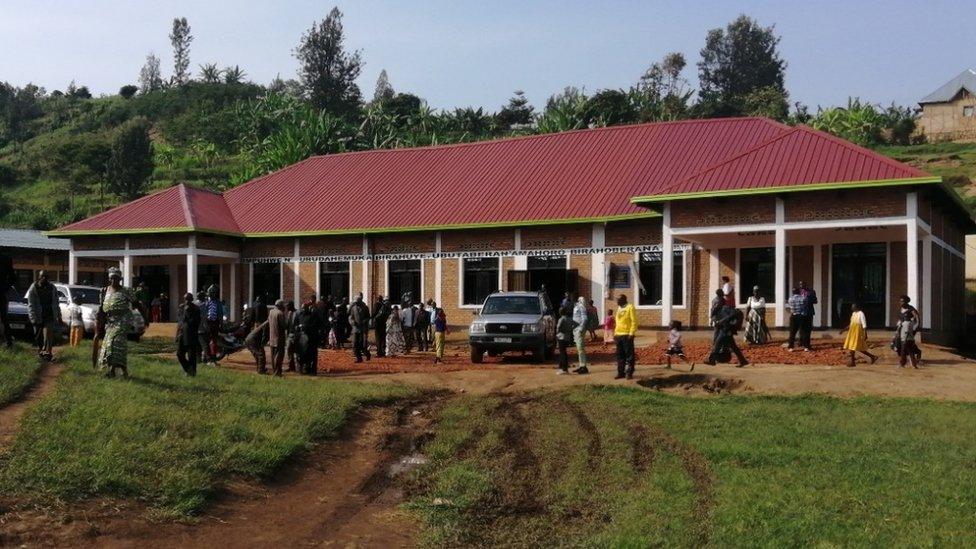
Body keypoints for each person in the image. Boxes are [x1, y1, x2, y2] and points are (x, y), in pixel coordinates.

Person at [97, 267, 143, 377]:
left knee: (115, 342)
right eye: (112, 278)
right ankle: (117, 371)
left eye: (117, 279)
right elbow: (101, 310)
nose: (114, 281)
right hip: (110, 322)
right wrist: (99, 326)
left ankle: (114, 370)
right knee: (108, 345)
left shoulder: (126, 291)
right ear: (109, 279)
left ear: (120, 279)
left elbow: (137, 304)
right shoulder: (104, 291)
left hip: (123, 320)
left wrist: (145, 318)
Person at [26, 270, 59, 361]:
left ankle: (48, 353)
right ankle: (41, 351)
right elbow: (31, 304)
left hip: (49, 314)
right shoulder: (34, 287)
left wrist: (58, 314)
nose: (44, 278)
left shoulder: (52, 288)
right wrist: (32, 317)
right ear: (39, 277)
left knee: (48, 335)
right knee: (38, 336)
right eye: (42, 277)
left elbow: (56, 301)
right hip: (38, 315)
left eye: (46, 277)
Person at [839, 302, 878, 368]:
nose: (852, 308)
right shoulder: (853, 314)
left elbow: (864, 325)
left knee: (853, 347)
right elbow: (851, 324)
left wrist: (865, 334)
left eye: (853, 306)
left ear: (856, 307)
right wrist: (843, 330)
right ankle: (872, 357)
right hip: (852, 333)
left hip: (858, 332)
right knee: (855, 347)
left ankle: (853, 362)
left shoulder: (861, 314)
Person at [175, 292, 201, 376]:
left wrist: (188, 312)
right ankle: (187, 369)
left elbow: (195, 322)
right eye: (186, 299)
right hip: (182, 334)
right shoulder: (181, 307)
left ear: (192, 300)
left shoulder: (196, 309)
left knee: (191, 356)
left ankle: (192, 373)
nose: (187, 301)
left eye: (189, 299)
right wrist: (177, 334)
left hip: (191, 335)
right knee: (179, 354)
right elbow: (179, 322)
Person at [613, 294, 638, 380]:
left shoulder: (630, 307)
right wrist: (615, 334)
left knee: (629, 355)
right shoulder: (619, 308)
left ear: (623, 300)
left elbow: (634, 321)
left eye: (618, 300)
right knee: (620, 355)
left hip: (627, 335)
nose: (617, 302)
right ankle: (621, 372)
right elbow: (618, 322)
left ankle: (629, 373)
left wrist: (631, 333)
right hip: (618, 335)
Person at [293, 300, 321, 375]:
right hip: (302, 338)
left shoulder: (312, 315)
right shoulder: (299, 315)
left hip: (312, 338)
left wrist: (306, 327)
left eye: (304, 308)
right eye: (302, 308)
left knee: (312, 355)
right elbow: (295, 325)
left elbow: (315, 325)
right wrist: (298, 327)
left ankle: (313, 370)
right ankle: (304, 369)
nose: (303, 310)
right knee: (303, 354)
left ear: (308, 308)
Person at [895, 295, 921, 368]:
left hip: (908, 328)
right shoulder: (901, 309)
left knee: (905, 344)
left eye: (902, 301)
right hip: (901, 328)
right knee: (904, 345)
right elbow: (901, 319)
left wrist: (916, 327)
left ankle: (903, 362)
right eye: (900, 301)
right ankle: (913, 362)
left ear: (907, 301)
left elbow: (917, 317)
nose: (901, 303)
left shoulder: (910, 309)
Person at [786, 287, 812, 352]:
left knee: (792, 332)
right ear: (799, 292)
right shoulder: (803, 298)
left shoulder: (790, 299)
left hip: (794, 316)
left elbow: (789, 307)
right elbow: (806, 304)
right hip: (802, 316)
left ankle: (791, 347)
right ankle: (806, 347)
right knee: (804, 332)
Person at [267, 300, 288, 376]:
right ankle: (277, 372)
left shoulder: (271, 312)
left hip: (272, 338)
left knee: (273, 356)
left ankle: (274, 371)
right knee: (279, 356)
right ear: (280, 306)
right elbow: (284, 326)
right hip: (279, 339)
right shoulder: (280, 314)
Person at [349, 292, 371, 363]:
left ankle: (367, 354)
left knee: (363, 344)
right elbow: (350, 317)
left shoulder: (365, 307)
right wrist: (352, 322)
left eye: (357, 302)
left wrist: (365, 321)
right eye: (355, 302)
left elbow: (368, 317)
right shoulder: (353, 308)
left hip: (363, 328)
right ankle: (359, 358)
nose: (356, 303)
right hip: (355, 328)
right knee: (355, 343)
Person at [204, 285, 223, 365]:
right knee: (206, 341)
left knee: (213, 341)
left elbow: (220, 314)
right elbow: (203, 313)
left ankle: (213, 358)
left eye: (212, 293)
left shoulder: (218, 302)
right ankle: (206, 357)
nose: (211, 294)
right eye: (210, 293)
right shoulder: (206, 302)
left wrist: (221, 323)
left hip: (215, 323)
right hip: (207, 323)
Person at [555, 305, 577, 375]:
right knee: (563, 352)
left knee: (562, 353)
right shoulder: (569, 319)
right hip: (567, 337)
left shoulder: (561, 319)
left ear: (561, 312)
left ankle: (564, 369)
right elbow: (576, 324)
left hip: (561, 337)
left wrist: (558, 334)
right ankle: (561, 366)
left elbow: (558, 328)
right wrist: (570, 330)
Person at [797, 281, 818, 349]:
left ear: (806, 285)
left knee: (808, 329)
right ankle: (801, 341)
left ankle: (807, 343)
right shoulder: (797, 292)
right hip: (800, 312)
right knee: (801, 328)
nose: (801, 285)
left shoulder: (811, 291)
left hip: (809, 312)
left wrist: (808, 299)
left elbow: (815, 301)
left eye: (802, 284)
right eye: (800, 284)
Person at [571, 296, 589, 374]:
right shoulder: (576, 306)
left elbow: (584, 318)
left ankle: (584, 367)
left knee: (580, 348)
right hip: (576, 329)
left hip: (579, 330)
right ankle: (581, 366)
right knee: (579, 348)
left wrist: (581, 328)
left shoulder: (581, 307)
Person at [0, 252, 15, 348]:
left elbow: (13, 277)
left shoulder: (5, 259)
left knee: (4, 318)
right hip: (2, 292)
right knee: (4, 318)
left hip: (1, 292)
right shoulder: (6, 258)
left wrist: (5, 288)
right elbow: (13, 278)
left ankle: (8, 341)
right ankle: (8, 341)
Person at [284, 301, 297, 372]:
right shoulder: (288, 314)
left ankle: (299, 366)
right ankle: (291, 366)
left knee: (297, 351)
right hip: (289, 335)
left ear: (291, 306)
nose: (286, 308)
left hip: (296, 334)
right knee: (289, 350)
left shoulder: (297, 313)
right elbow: (287, 325)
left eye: (287, 306)